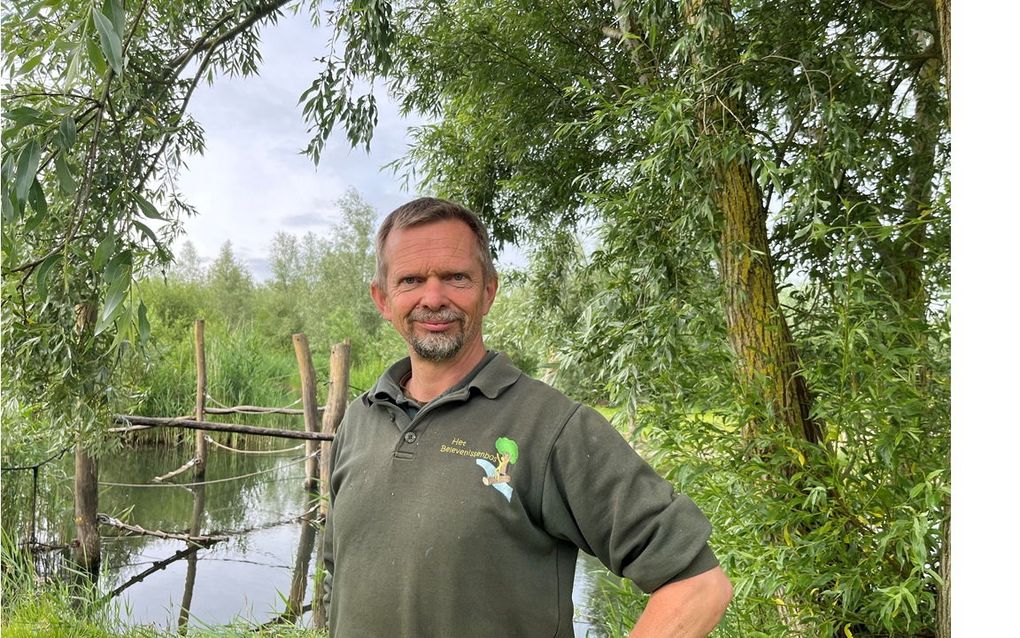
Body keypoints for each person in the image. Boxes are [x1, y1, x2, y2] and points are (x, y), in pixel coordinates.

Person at [322, 197, 732, 637]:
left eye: (456, 277)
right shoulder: (359, 420)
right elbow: (336, 574)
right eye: (411, 280)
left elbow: (698, 585)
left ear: (489, 291)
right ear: (383, 298)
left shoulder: (553, 428)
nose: (434, 297)